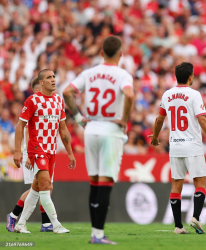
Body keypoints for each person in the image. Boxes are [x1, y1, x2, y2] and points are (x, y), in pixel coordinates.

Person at [63, 36, 134, 244]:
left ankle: (95, 233)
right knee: (105, 181)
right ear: (120, 54)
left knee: (94, 181)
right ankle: (99, 235)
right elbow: (129, 95)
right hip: (111, 129)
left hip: (91, 128)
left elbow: (67, 92)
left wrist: (78, 118)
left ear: (101, 53)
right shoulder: (122, 74)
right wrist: (124, 119)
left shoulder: (89, 73)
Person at [149, 62, 206, 234]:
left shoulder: (167, 95)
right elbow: (202, 120)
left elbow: (159, 120)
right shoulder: (194, 95)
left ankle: (178, 226)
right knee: (200, 183)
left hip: (175, 146)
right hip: (192, 145)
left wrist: (155, 137)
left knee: (176, 186)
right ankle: (196, 218)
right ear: (191, 76)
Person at [13, 69, 76, 234]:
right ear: (41, 83)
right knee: (46, 186)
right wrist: (18, 151)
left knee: (36, 189)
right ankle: (55, 224)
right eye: (49, 77)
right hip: (36, 149)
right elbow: (20, 126)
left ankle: (20, 223)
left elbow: (63, 129)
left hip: (51, 151)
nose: (53, 80)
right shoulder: (32, 100)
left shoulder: (58, 100)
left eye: (54, 76)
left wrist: (70, 152)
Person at [7, 77, 53, 233]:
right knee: (38, 186)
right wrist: (26, 153)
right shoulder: (33, 102)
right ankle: (14, 216)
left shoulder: (48, 103)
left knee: (45, 187)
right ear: (38, 88)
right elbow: (26, 129)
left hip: (44, 150)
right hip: (32, 150)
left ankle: (46, 223)